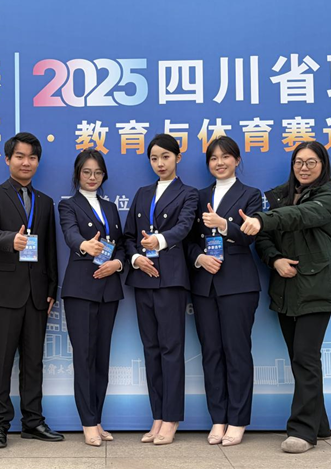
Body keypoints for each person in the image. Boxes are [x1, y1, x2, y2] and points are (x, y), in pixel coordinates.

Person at [239, 140, 331, 453]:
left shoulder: (328, 195)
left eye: (311, 162)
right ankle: (319, 424)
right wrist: (274, 260)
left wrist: (263, 219)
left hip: (317, 288)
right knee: (301, 359)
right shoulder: (276, 195)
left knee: (306, 357)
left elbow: (300, 215)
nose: (304, 168)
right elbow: (263, 238)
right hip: (285, 289)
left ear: (323, 165)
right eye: (299, 162)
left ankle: (302, 431)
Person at [0, 132, 63, 448]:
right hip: (3, 294)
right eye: (20, 156)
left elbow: (50, 248)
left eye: (32, 157)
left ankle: (33, 422)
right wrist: (9, 240)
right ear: (8, 159)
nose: (26, 162)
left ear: (38, 162)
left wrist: (51, 288)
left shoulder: (45, 202)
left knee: (33, 362)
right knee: (0, 362)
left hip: (37, 295)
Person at [186, 136, 263, 446]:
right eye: (213, 158)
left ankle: (238, 420)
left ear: (237, 160)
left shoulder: (251, 195)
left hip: (238, 285)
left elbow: (249, 236)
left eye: (225, 157)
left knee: (237, 352)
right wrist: (199, 258)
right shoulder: (198, 196)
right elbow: (188, 240)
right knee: (211, 354)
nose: (219, 162)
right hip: (205, 285)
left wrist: (223, 225)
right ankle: (217, 418)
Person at [124, 133, 198, 445]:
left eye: (165, 157)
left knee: (171, 349)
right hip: (143, 278)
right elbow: (128, 235)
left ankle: (171, 418)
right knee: (151, 349)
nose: (160, 163)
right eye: (154, 158)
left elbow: (184, 227)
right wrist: (136, 258)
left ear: (177, 158)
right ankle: (157, 415)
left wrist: (160, 240)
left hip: (171, 278)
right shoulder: (142, 193)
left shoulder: (188, 193)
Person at [58, 149, 126, 447]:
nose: (92, 177)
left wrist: (117, 263)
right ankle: (87, 423)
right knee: (84, 358)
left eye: (98, 172)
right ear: (77, 174)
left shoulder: (110, 207)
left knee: (101, 358)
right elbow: (70, 234)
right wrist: (85, 245)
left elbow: (121, 244)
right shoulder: (68, 205)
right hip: (81, 289)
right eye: (87, 172)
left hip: (108, 287)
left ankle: (97, 419)